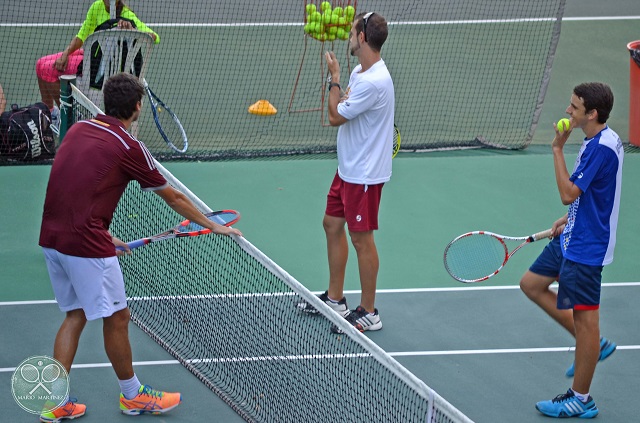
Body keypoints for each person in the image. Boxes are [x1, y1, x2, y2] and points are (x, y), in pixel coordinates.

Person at [38, 72, 242, 422]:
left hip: (53, 239)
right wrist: (211, 224)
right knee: (119, 317)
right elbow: (174, 196)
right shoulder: (128, 145)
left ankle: (55, 402)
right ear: (136, 107)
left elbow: (74, 185)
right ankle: (133, 396)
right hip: (84, 244)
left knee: (75, 315)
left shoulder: (78, 129)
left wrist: (103, 232)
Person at [519, 82, 623, 419]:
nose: (568, 111)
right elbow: (593, 195)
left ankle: (581, 398)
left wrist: (556, 149)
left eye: (575, 107)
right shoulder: (603, 139)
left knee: (586, 321)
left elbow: (568, 192)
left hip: (585, 248)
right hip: (572, 235)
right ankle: (593, 347)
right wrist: (569, 218)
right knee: (531, 284)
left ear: (592, 114)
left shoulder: (599, 149)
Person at [296, 12, 394, 334]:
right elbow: (343, 108)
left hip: (364, 175)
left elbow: (336, 115)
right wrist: (341, 86)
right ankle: (336, 299)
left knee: (361, 239)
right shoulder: (361, 72)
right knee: (331, 224)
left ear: (363, 38)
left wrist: (334, 77)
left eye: (353, 32)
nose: (349, 36)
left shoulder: (372, 81)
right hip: (348, 168)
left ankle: (369, 311)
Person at [35, 0, 159, 129]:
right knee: (40, 64)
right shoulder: (96, 6)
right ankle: (51, 113)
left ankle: (69, 117)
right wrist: (66, 53)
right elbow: (82, 36)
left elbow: (154, 37)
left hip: (99, 67)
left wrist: (134, 30)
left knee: (46, 69)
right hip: (93, 54)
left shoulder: (127, 15)